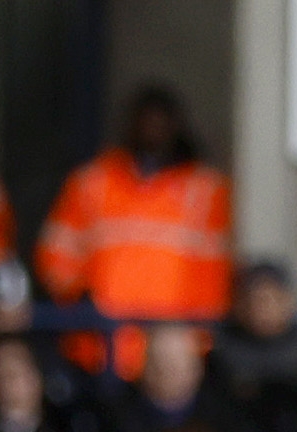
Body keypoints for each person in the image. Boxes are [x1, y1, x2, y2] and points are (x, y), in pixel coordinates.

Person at [34, 85, 231, 368]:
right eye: (145, 119)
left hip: (170, 352)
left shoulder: (204, 189)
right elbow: (56, 253)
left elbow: (214, 274)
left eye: (161, 121)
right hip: (100, 344)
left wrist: (198, 342)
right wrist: (78, 298)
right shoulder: (93, 181)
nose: (153, 128)